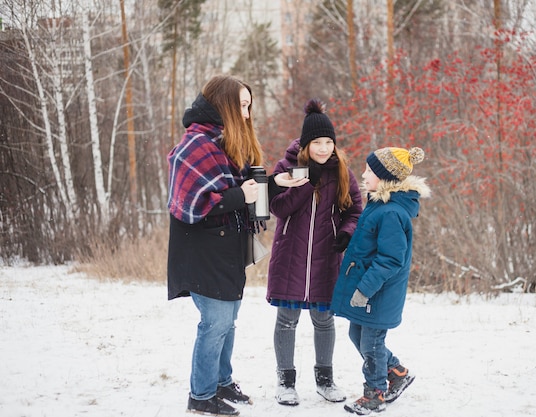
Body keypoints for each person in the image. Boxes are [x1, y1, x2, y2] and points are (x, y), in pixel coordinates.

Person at [166, 75, 300, 416]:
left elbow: (240, 190)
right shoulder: (194, 145)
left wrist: (273, 182)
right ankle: (201, 395)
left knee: (227, 321)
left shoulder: (223, 141)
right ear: (224, 104)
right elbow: (190, 204)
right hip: (203, 253)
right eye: (241, 105)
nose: (246, 112)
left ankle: (222, 383)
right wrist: (242, 195)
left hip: (227, 250)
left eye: (248, 105)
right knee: (215, 323)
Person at [266, 99, 363, 406]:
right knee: (287, 319)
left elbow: (354, 211)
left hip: (325, 258)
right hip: (290, 256)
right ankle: (285, 381)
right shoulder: (287, 169)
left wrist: (346, 235)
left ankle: (324, 379)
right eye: (318, 143)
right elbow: (279, 207)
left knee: (324, 319)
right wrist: (307, 183)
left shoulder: (342, 172)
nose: (324, 149)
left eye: (329, 142)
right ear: (306, 144)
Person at [330, 146, 432, 415]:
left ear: (385, 177)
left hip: (378, 293)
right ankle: (396, 371)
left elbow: (390, 259)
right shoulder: (380, 205)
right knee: (358, 335)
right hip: (370, 290)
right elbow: (372, 246)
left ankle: (374, 394)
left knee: (370, 343)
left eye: (369, 171)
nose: (363, 175)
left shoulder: (391, 213)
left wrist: (365, 289)